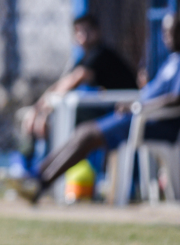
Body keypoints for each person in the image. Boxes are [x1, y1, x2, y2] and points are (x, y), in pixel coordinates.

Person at [7, 12, 180, 203]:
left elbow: (176, 98)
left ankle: (40, 182)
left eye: (172, 32)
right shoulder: (171, 62)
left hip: (153, 121)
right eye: (165, 32)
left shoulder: (101, 54)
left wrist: (139, 105)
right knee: (83, 132)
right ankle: (36, 176)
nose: (166, 37)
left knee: (87, 134)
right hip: (133, 115)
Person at [15, 14, 136, 171]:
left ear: (97, 32)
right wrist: (37, 108)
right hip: (107, 110)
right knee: (31, 119)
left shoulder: (100, 54)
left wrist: (44, 109)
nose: (83, 36)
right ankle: (26, 169)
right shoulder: (82, 58)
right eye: (79, 32)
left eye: (88, 31)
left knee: (52, 121)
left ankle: (41, 172)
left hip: (122, 112)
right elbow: (63, 83)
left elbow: (74, 80)